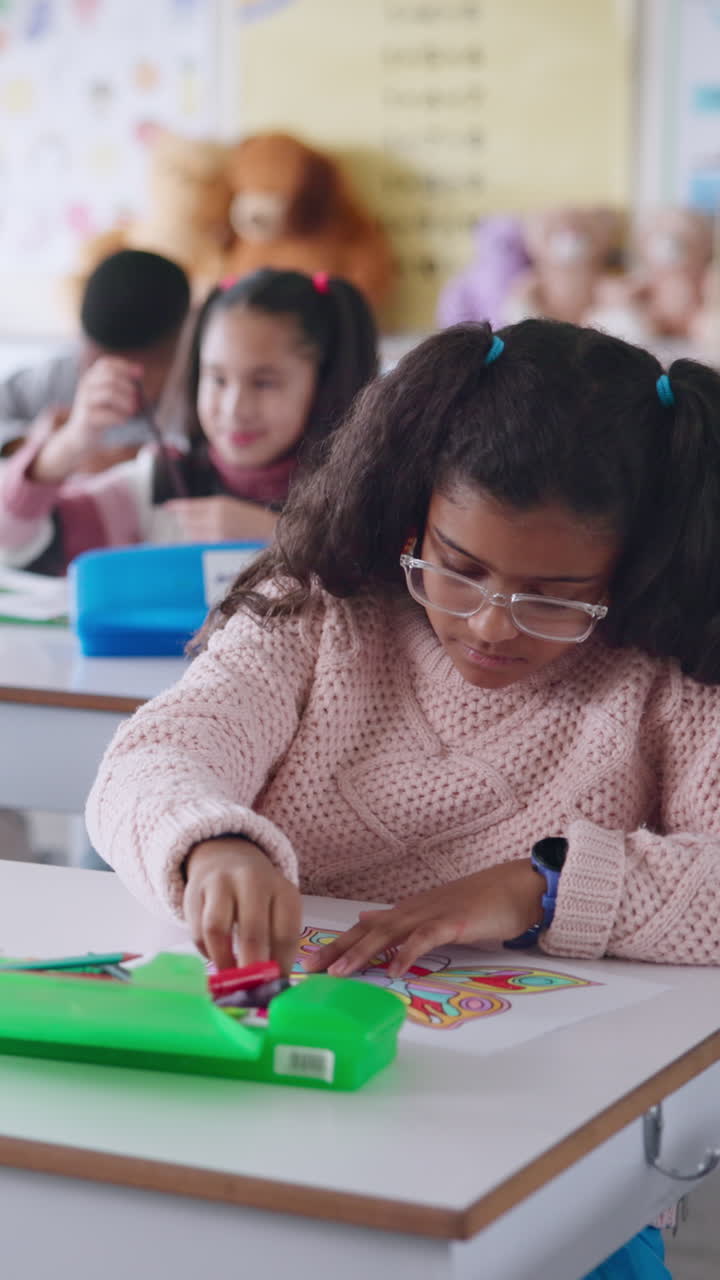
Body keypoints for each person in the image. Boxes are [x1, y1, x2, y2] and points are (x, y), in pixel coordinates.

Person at [88, 317, 720, 1279]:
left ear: (633, 567)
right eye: (457, 569)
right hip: (276, 1090)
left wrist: (536, 887)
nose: (488, 625)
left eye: (555, 594)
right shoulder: (319, 610)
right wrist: (213, 843)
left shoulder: (670, 673)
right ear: (410, 517)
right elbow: (158, 755)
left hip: (543, 1134)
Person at [0, 269, 377, 573]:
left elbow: (392, 586)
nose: (234, 409)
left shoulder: (364, 494)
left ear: (323, 382)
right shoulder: (160, 485)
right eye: (217, 378)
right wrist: (71, 442)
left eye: (265, 382)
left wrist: (277, 536)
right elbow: (13, 542)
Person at [0, 249, 191, 464]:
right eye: (91, 366)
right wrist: (31, 446)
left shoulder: (201, 400)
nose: (102, 384)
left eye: (127, 378)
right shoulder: (61, 376)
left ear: (178, 354)